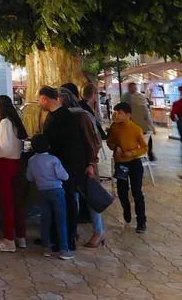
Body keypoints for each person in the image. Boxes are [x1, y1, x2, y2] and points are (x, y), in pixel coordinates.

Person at [38, 86, 92, 252]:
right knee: (61, 204)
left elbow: (70, 146)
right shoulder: (54, 116)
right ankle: (56, 238)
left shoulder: (65, 118)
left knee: (67, 203)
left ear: (46, 99)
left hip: (65, 168)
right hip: (60, 167)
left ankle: (68, 240)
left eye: (39, 99)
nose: (38, 103)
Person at [58, 87, 105, 248]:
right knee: (74, 199)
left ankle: (99, 232)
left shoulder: (81, 116)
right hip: (71, 165)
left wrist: (91, 163)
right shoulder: (65, 116)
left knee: (91, 198)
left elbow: (93, 141)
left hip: (85, 165)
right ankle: (73, 229)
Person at [0, 95, 28, 253]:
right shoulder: (14, 121)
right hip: (16, 164)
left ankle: (9, 239)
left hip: (6, 165)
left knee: (7, 203)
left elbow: (5, 149)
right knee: (17, 202)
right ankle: (20, 236)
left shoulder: (4, 122)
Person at [26, 134, 74, 260]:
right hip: (57, 191)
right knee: (61, 220)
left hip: (42, 192)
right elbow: (64, 176)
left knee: (45, 220)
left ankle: (46, 248)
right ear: (48, 146)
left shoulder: (31, 160)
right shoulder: (53, 159)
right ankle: (64, 249)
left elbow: (29, 177)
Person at [107, 102, 148, 233]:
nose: (117, 115)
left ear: (128, 115)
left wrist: (133, 152)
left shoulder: (136, 129)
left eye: (120, 113)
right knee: (122, 190)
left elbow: (144, 147)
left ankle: (141, 221)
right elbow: (110, 142)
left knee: (137, 191)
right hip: (121, 163)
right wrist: (115, 147)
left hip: (134, 162)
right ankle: (126, 210)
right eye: (116, 113)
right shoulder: (114, 128)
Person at [121, 82, 156, 161]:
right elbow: (148, 119)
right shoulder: (127, 98)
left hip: (133, 128)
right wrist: (153, 128)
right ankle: (147, 154)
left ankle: (135, 154)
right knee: (147, 138)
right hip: (141, 129)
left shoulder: (127, 99)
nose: (135, 89)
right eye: (134, 87)